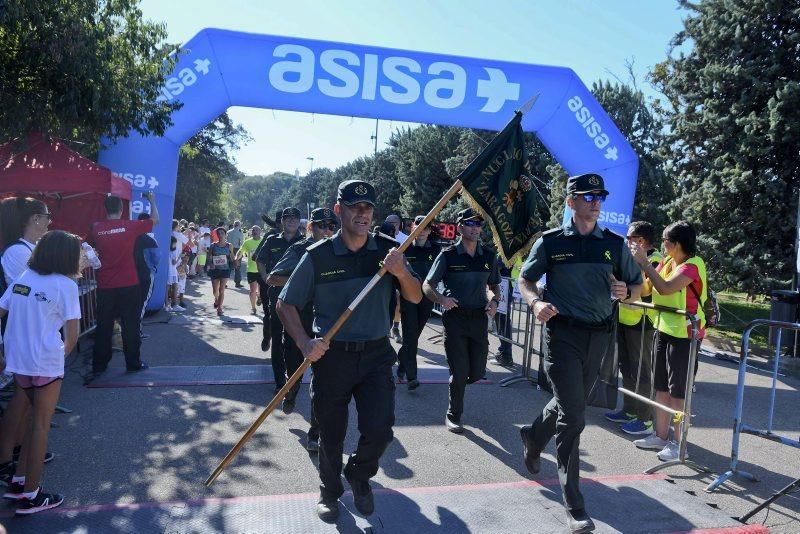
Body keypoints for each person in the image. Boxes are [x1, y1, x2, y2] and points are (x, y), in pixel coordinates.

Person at [277, 180, 421, 522]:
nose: (362, 213)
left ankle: (359, 473)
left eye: (368, 207)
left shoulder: (388, 252)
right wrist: (304, 343)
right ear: (339, 209)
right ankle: (329, 492)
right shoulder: (318, 256)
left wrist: (401, 272)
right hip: (332, 356)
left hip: (375, 355)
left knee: (381, 429)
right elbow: (286, 304)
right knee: (330, 433)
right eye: (355, 207)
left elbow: (415, 297)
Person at [517, 173, 642, 534]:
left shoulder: (615, 245)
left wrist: (626, 291)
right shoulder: (551, 242)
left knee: (569, 405)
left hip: (599, 335)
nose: (595, 202)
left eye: (599, 196)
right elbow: (525, 279)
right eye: (587, 196)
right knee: (574, 417)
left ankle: (533, 436)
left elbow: (636, 285)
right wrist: (535, 301)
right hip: (562, 334)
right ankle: (574, 502)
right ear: (571, 202)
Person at [0, 230, 82, 514]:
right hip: (44, 362)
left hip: (18, 361)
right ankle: (31, 494)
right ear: (66, 256)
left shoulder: (23, 279)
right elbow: (72, 337)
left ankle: (19, 481)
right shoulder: (66, 285)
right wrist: (59, 357)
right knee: (39, 426)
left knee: (32, 420)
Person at [631, 220, 707, 462]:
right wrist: (640, 267)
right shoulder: (666, 262)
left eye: (665, 241)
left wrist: (645, 262)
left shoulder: (693, 266)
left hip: (685, 335)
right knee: (661, 387)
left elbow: (665, 289)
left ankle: (679, 443)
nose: (661, 245)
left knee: (679, 393)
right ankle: (660, 436)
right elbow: (646, 290)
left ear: (677, 244)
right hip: (663, 329)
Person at [423, 208, 501, 432]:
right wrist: (441, 299)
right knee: (459, 371)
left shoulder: (488, 255)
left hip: (478, 318)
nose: (475, 228)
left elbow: (494, 286)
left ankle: (458, 380)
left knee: (477, 372)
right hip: (455, 317)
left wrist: (494, 301)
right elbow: (427, 285)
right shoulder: (447, 255)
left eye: (478, 224)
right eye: (470, 223)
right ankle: (453, 414)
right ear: (459, 227)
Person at [268, 207, 337, 448]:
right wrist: (305, 282)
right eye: (321, 226)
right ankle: (291, 391)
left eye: (331, 226)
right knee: (295, 370)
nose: (327, 231)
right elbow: (273, 278)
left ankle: (315, 434)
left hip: (326, 325)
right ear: (310, 228)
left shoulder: (339, 252)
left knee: (322, 382)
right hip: (298, 321)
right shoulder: (299, 250)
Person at [89, 193, 159, 378]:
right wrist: (151, 200)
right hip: (129, 283)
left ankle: (99, 365)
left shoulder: (96, 228)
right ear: (121, 209)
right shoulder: (130, 226)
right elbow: (155, 219)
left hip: (105, 284)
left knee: (104, 324)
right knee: (131, 324)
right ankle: (133, 364)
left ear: (106, 209)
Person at [605, 221, 663, 435]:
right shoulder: (629, 257)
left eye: (630, 238)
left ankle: (645, 419)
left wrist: (640, 263)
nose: (626, 241)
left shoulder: (656, 260)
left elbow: (647, 288)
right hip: (624, 317)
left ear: (641, 241)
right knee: (626, 367)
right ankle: (629, 410)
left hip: (643, 322)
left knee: (642, 371)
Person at [256, 207, 303, 387]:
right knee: (277, 337)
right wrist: (264, 277)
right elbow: (259, 259)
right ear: (282, 221)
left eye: (295, 218)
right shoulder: (271, 240)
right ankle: (279, 382)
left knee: (295, 338)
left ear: (299, 221)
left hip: (298, 296)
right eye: (287, 218)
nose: (291, 221)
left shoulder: (305, 242)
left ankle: (292, 379)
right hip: (276, 294)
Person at [397, 215, 440, 390]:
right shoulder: (405, 248)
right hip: (408, 297)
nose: (421, 232)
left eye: (425, 228)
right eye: (418, 227)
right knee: (410, 334)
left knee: (413, 335)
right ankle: (412, 376)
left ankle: (402, 360)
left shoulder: (436, 250)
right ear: (412, 228)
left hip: (427, 298)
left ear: (429, 231)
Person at [133, 213, 158, 337]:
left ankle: (133, 330)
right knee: (143, 301)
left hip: (131, 274)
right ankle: (137, 331)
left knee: (134, 302)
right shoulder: (150, 240)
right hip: (147, 274)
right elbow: (156, 259)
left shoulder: (131, 237)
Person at [235, 226, 263, 315]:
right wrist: (236, 258)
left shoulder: (264, 241)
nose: (255, 231)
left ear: (260, 232)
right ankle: (253, 308)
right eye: (253, 230)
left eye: (257, 230)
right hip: (251, 270)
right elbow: (241, 251)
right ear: (251, 232)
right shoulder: (247, 242)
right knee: (252, 290)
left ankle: (260, 296)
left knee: (262, 290)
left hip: (262, 270)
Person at [206, 227, 234, 317]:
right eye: (219, 233)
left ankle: (220, 308)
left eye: (222, 233)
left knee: (221, 289)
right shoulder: (213, 245)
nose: (220, 235)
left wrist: (235, 261)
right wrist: (211, 264)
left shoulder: (229, 245)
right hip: (215, 270)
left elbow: (232, 256)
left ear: (225, 235)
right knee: (215, 291)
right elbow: (209, 257)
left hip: (225, 270)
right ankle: (216, 299)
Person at [165, 236, 183, 312]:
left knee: (174, 287)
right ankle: (167, 305)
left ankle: (173, 304)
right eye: (174, 243)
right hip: (170, 271)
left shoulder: (172, 250)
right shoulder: (171, 251)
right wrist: (180, 256)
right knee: (168, 288)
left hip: (172, 270)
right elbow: (174, 262)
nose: (175, 245)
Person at [227, 220, 245, 288]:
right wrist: (242, 252)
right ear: (239, 225)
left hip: (228, 249)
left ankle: (224, 281)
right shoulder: (240, 233)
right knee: (237, 267)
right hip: (237, 249)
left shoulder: (228, 232)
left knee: (228, 266)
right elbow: (242, 243)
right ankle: (237, 282)